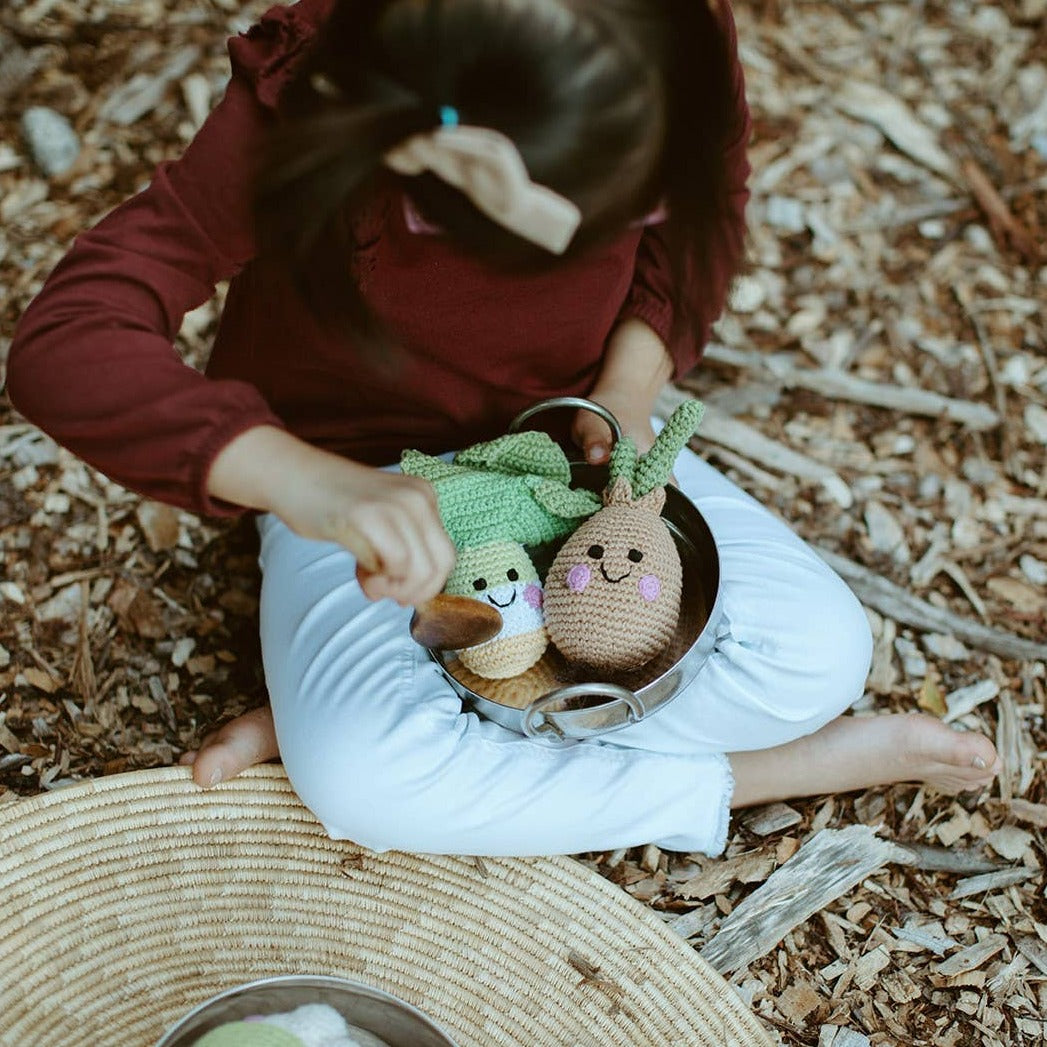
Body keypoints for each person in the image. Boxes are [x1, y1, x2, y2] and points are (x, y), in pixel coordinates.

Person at [6, 0, 998, 857]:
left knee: (818, 654)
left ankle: (446, 704)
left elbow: (709, 217)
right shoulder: (320, 91)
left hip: (567, 450)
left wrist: (631, 378)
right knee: (362, 781)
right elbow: (67, 342)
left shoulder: (664, 39)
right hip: (360, 484)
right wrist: (312, 485)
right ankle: (749, 777)